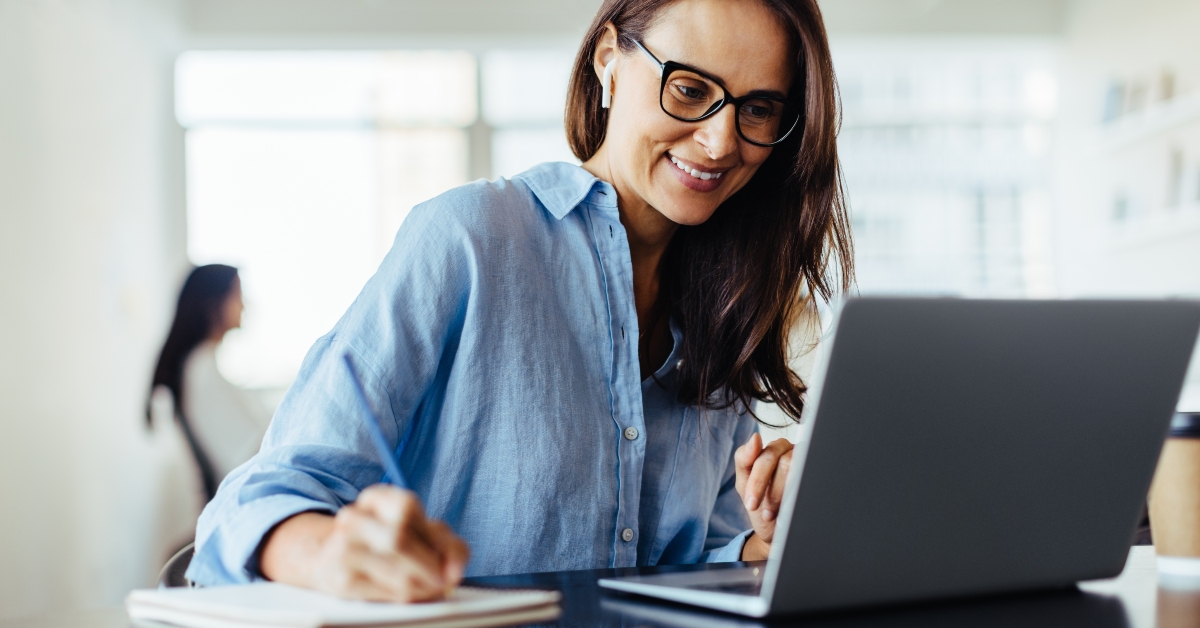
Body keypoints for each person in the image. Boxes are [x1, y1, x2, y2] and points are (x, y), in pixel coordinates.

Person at [186, 0, 853, 603]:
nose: (720, 141)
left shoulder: (728, 307)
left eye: (758, 107)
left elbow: (688, 562)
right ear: (609, 63)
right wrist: (330, 552)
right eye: (689, 89)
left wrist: (760, 544)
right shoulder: (469, 239)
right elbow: (255, 503)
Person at [149, 264, 273, 501]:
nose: (244, 305)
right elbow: (252, 458)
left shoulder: (201, 367)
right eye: (237, 294)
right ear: (213, 303)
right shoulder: (202, 372)